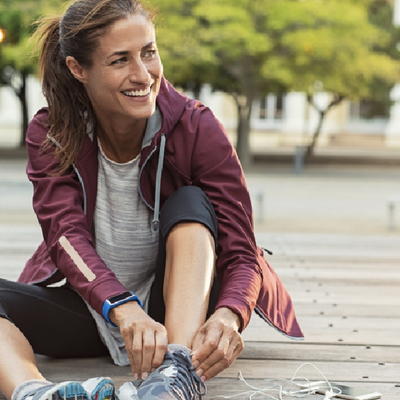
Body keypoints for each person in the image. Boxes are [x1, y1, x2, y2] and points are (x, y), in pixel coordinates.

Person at [0, 0, 303, 400]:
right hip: (96, 312)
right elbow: (64, 237)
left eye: (149, 52)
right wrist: (122, 308)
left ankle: (176, 373)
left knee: (192, 202)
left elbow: (242, 250)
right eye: (120, 60)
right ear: (78, 69)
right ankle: (34, 394)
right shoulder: (51, 132)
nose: (143, 75)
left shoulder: (196, 127)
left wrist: (230, 313)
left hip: (173, 318)